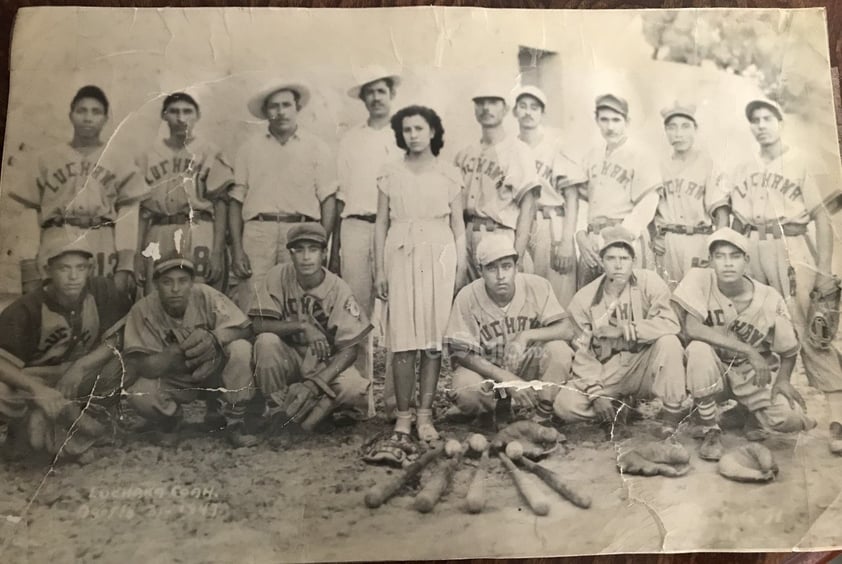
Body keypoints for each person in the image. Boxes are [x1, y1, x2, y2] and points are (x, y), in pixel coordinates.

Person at [727, 98, 842, 455]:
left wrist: (824, 271)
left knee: (811, 331)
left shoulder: (802, 162)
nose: (761, 125)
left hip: (792, 247)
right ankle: (753, 408)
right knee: (753, 325)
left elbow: (823, 220)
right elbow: (736, 221)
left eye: (767, 118)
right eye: (755, 119)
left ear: (780, 123)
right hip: (753, 247)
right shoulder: (744, 166)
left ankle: (838, 416)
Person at [674, 228, 815, 461]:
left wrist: (782, 380)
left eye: (735, 256)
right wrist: (748, 349)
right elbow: (693, 328)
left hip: (751, 374)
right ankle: (711, 429)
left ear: (746, 261)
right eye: (720, 256)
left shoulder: (770, 297)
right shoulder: (699, 278)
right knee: (697, 349)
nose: (727, 263)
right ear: (711, 261)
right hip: (715, 368)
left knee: (790, 420)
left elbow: (789, 350)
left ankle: (745, 412)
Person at [374, 105, 466, 442]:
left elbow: (458, 224)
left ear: (432, 132)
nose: (413, 135)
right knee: (402, 339)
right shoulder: (389, 173)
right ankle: (402, 416)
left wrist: (459, 265)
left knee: (431, 340)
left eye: (419, 128)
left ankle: (425, 417)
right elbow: (381, 222)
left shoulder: (449, 173)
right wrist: (380, 269)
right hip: (400, 251)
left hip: (438, 251)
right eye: (407, 129)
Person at [0, 235, 131, 461]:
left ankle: (78, 420)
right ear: (48, 270)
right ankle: (64, 428)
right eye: (64, 268)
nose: (73, 277)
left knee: (123, 364)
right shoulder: (27, 308)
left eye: (80, 268)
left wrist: (81, 366)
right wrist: (36, 390)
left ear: (89, 268)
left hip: (76, 375)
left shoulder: (100, 289)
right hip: (36, 379)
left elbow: (117, 339)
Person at [10, 85, 145, 297]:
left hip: (102, 241)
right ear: (71, 115)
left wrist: (125, 265)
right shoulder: (46, 159)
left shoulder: (119, 159)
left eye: (96, 112)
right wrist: (28, 267)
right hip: (56, 239)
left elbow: (128, 215)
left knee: (102, 309)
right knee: (54, 314)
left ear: (106, 118)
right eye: (81, 111)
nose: (88, 118)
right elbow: (28, 216)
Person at [553, 226, 687, 427]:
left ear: (633, 261)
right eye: (611, 258)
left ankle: (671, 417)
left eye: (624, 259)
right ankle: (621, 407)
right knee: (565, 405)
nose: (618, 265)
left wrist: (624, 330)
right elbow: (583, 353)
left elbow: (670, 323)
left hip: (645, 361)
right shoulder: (583, 299)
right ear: (601, 261)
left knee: (669, 342)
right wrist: (595, 393)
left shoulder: (650, 281)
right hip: (611, 368)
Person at [123, 253, 257, 447]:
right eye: (167, 282)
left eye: (183, 281)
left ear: (192, 282)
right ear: (156, 284)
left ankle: (234, 421)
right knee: (138, 392)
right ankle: (170, 419)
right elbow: (144, 366)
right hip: (175, 376)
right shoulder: (143, 309)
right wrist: (176, 351)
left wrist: (215, 338)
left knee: (240, 348)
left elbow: (245, 328)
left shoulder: (205, 294)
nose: (175, 289)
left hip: (212, 371)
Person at [228, 81, 338, 312]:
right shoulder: (249, 149)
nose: (280, 112)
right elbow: (236, 200)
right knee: (253, 300)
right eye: (274, 106)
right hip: (258, 232)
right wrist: (237, 249)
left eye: (286, 105)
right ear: (266, 111)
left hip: (300, 231)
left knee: (298, 302)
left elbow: (328, 199)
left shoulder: (317, 148)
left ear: (297, 108)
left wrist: (321, 242)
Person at [249, 224, 371, 431]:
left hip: (323, 364)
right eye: (299, 250)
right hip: (290, 358)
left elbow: (350, 350)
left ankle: (309, 414)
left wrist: (316, 383)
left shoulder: (338, 288)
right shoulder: (278, 275)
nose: (306, 257)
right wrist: (302, 326)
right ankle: (278, 411)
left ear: (324, 254)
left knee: (354, 388)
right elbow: (258, 324)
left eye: (313, 249)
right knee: (266, 343)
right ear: (290, 253)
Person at [333, 68, 403, 418]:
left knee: (394, 313)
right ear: (363, 99)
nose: (376, 98)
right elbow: (341, 195)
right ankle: (360, 397)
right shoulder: (350, 140)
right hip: (356, 227)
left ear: (391, 95)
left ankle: (393, 401)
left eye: (381, 91)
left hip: (393, 230)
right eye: (370, 93)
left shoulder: (404, 134)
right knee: (356, 314)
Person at [444, 233, 574, 420]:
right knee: (467, 390)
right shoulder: (467, 296)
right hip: (488, 372)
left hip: (527, 367)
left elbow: (566, 329)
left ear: (516, 267)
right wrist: (504, 376)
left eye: (506, 267)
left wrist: (525, 336)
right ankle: (491, 412)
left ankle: (543, 412)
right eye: (491, 268)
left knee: (559, 351)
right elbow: (460, 352)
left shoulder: (537, 285)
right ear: (480, 271)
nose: (500, 276)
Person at [136, 92, 234, 292]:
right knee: (156, 295)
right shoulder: (148, 155)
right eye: (174, 112)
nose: (181, 118)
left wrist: (216, 252)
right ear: (164, 115)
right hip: (159, 231)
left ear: (197, 116)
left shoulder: (208, 151)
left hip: (198, 229)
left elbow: (220, 204)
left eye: (187, 112)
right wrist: (137, 253)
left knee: (200, 293)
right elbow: (141, 212)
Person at [454, 83, 541, 281]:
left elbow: (528, 208)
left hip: (499, 234)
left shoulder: (518, 150)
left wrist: (517, 255)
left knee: (499, 302)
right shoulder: (464, 153)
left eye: (493, 102)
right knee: (469, 301)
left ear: (506, 109)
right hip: (467, 236)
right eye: (480, 103)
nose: (486, 108)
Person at [576, 94, 661, 287]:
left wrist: (625, 233)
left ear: (627, 121)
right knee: (592, 300)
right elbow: (582, 201)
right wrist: (580, 234)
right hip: (593, 238)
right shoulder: (591, 156)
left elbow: (649, 200)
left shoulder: (641, 154)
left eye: (616, 120)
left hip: (625, 237)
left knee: (627, 301)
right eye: (604, 120)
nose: (610, 127)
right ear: (597, 120)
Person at [513, 85, 586, 306]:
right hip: (516, 225)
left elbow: (572, 198)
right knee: (523, 294)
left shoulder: (555, 147)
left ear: (542, 114)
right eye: (523, 106)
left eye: (534, 107)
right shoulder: (509, 148)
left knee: (558, 296)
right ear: (515, 111)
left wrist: (566, 241)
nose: (528, 112)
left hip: (550, 222)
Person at [652, 102, 729, 288]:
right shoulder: (658, 165)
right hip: (667, 241)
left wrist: (717, 248)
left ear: (696, 129)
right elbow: (647, 208)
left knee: (699, 295)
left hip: (699, 240)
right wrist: (654, 236)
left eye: (685, 126)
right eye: (672, 127)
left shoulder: (709, 163)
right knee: (667, 296)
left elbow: (722, 213)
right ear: (666, 132)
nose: (678, 133)